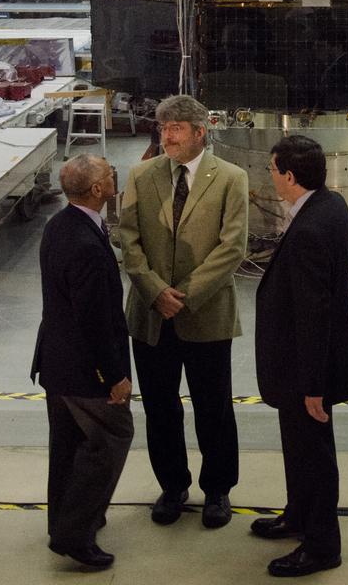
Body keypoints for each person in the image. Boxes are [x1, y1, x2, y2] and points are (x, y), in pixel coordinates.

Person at [118, 94, 249, 530]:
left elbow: (232, 247)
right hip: (151, 316)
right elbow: (128, 240)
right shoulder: (141, 175)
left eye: (176, 128)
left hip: (206, 314)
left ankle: (217, 490)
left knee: (214, 408)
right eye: (162, 128)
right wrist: (155, 291)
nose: (167, 136)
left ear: (200, 131)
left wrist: (187, 294)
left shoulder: (231, 178)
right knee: (160, 407)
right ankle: (172, 486)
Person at [253, 135, 348, 578]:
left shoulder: (311, 230)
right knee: (299, 449)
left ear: (290, 176)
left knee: (313, 455)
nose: (271, 177)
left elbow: (315, 313)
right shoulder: (329, 204)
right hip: (299, 364)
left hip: (305, 368)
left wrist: (314, 385)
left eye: (273, 170)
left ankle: (320, 546)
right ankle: (298, 515)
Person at [31, 153, 133, 572]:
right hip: (83, 371)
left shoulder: (60, 226)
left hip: (56, 363)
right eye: (110, 175)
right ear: (97, 190)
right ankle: (75, 535)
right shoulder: (87, 246)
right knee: (109, 440)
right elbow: (95, 321)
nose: (114, 178)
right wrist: (115, 377)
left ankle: (65, 519)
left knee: (68, 448)